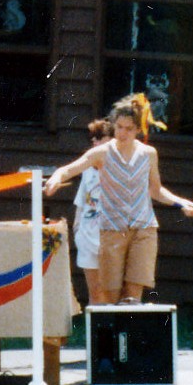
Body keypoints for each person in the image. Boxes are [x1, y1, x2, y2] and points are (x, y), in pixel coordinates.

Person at [44, 94, 193, 303]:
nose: (122, 133)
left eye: (128, 128)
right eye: (119, 127)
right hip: (112, 228)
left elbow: (156, 191)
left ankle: (131, 322)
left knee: (132, 296)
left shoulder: (148, 154)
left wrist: (181, 203)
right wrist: (56, 178)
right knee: (109, 297)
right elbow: (69, 169)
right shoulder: (102, 153)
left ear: (138, 130)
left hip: (143, 227)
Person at [73, 118, 115, 305]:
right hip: (87, 236)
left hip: (110, 237)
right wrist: (77, 228)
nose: (95, 141)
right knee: (95, 292)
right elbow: (82, 200)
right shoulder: (87, 169)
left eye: (100, 137)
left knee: (110, 292)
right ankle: (95, 325)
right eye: (93, 138)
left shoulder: (119, 169)